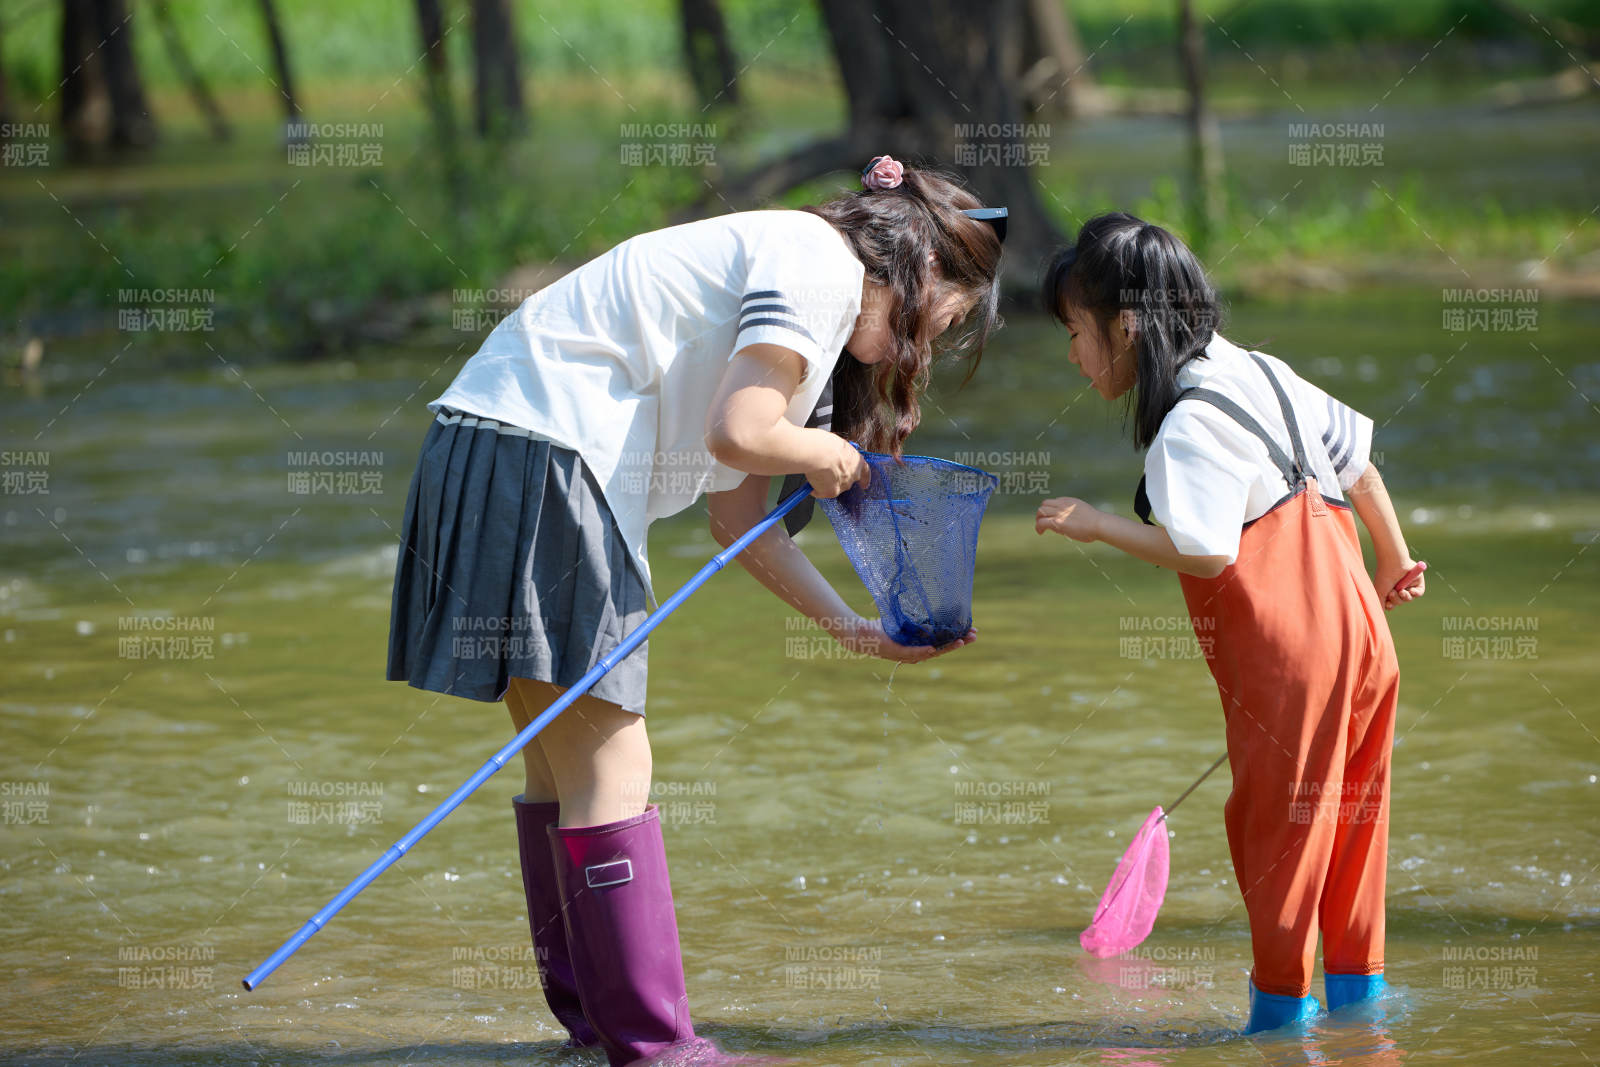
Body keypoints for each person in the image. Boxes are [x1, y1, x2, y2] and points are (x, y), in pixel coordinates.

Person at [386, 156, 1004, 1064]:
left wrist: (853, 631)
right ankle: (659, 1047)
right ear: (921, 273)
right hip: (552, 457)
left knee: (563, 769)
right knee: (613, 760)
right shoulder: (821, 265)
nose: (941, 341)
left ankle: (599, 1029)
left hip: (480, 446)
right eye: (950, 319)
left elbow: (738, 522)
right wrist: (825, 453)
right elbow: (739, 435)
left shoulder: (800, 286)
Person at [1034, 212, 1425, 1034]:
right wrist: (1393, 560)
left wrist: (1097, 523)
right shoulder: (1264, 370)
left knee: (1277, 847)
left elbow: (1207, 552)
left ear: (1129, 324)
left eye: (1076, 331)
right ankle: (1366, 1021)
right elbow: (1359, 465)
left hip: (1294, 654)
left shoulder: (1184, 425)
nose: (1073, 354)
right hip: (1363, 634)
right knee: (1354, 832)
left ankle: (1280, 1030)